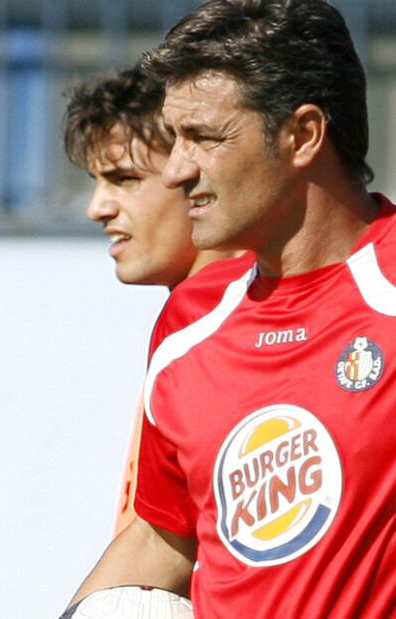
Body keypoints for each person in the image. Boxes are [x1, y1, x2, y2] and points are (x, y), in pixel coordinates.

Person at [63, 1, 396, 618]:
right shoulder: (190, 321)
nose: (179, 169)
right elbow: (160, 537)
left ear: (302, 135)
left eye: (204, 138)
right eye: (175, 137)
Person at [62, 64, 251, 588]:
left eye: (124, 179)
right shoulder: (189, 317)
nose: (98, 208)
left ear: (192, 175)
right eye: (97, 182)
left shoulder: (240, 319)